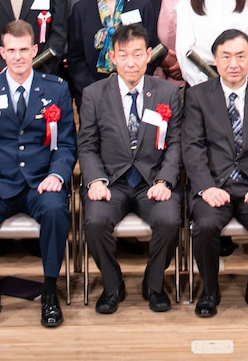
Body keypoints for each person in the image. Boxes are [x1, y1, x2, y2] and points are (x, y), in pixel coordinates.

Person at [0, 22, 75, 329]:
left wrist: (57, 174)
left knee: (56, 211)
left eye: (23, 50)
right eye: (11, 50)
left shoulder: (56, 88)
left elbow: (66, 144)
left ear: (34, 50)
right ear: (2, 53)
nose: (17, 57)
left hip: (41, 181)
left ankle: (50, 291)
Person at [78, 24, 184, 315]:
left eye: (137, 54)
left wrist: (165, 180)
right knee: (95, 222)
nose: (131, 62)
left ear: (149, 55)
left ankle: (154, 283)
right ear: (112, 57)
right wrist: (95, 180)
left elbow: (175, 144)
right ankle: (113, 285)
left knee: (169, 220)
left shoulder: (167, 92)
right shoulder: (94, 94)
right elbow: (87, 145)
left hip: (153, 181)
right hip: (112, 182)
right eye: (123, 55)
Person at [184, 27, 248, 316]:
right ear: (214, 60)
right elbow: (192, 147)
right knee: (204, 226)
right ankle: (209, 290)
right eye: (226, 56)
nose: (233, 64)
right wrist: (205, 186)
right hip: (214, 185)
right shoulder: (198, 96)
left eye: (241, 56)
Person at [66, 0, 160, 96]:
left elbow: (153, 49)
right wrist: (93, 90)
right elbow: (75, 58)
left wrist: (132, 82)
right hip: (93, 92)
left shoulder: (142, 5)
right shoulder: (81, 9)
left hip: (134, 89)